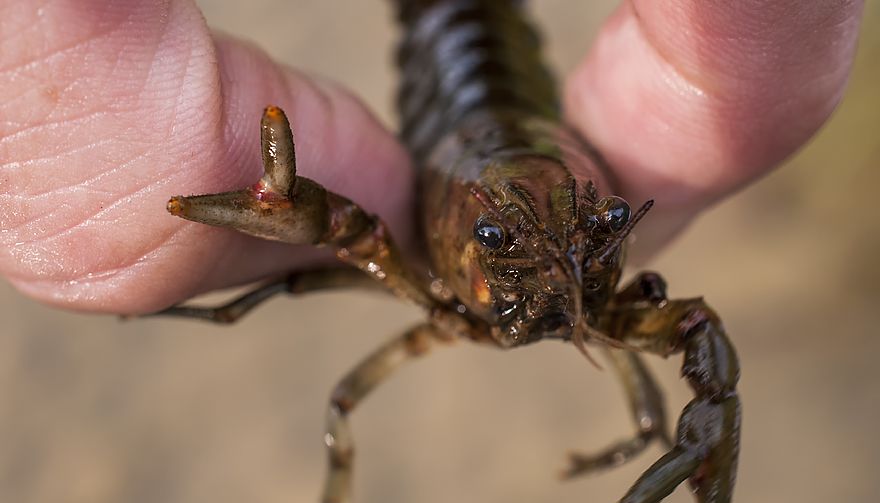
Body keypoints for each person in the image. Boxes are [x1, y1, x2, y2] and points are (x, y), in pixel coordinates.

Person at [0, 0, 865, 314]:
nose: (561, 268)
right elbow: (343, 232)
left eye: (605, 226)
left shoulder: (592, 262)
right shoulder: (408, 240)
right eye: (498, 247)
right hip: (453, 69)